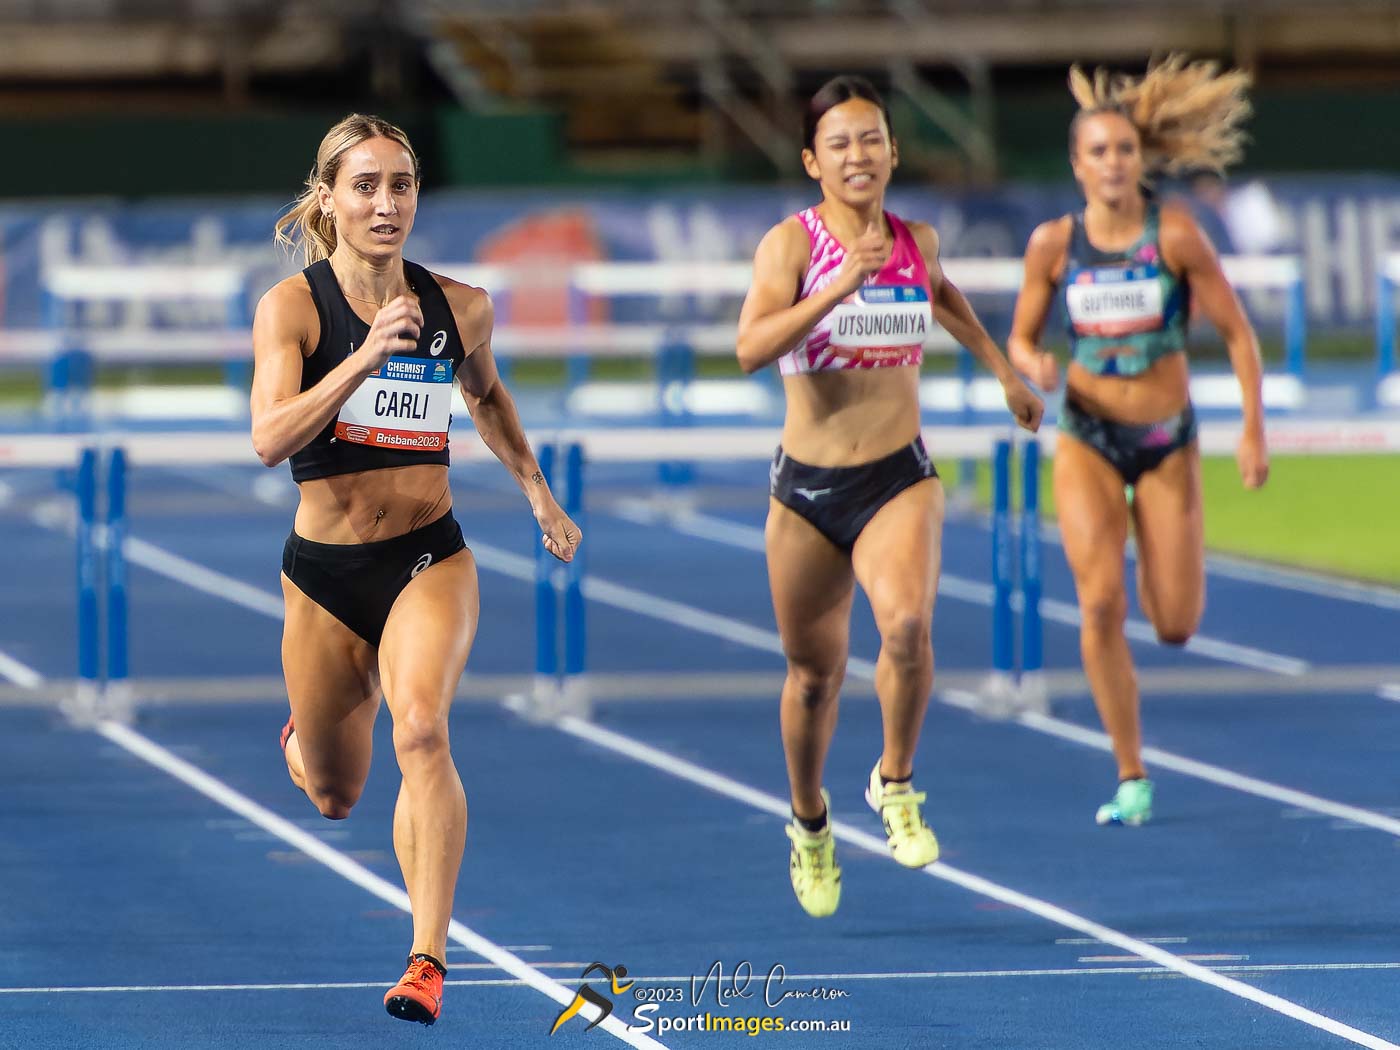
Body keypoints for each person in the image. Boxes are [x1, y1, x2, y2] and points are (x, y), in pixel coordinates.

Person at [251, 114, 580, 1024]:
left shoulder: (458, 306)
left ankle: (427, 959)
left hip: (428, 557)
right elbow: (269, 439)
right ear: (329, 199)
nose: (386, 203)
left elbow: (487, 396)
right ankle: (303, 739)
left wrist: (538, 493)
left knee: (423, 731)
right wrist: (363, 357)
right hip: (324, 573)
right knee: (334, 793)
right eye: (365, 186)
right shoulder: (295, 310)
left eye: (401, 185)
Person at [736, 76, 1042, 917]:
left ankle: (895, 781)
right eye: (839, 143)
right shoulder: (790, 248)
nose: (858, 155)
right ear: (812, 161)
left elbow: (944, 301)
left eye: (871, 139)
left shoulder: (919, 240)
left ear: (893, 152)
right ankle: (809, 824)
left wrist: (1006, 375)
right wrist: (838, 288)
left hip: (897, 477)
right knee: (812, 677)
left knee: (906, 626)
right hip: (805, 489)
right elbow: (749, 348)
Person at [1007, 56, 1269, 827]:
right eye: (1099, 152)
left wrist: (1253, 428)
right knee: (1098, 603)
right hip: (1088, 431)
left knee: (1175, 622)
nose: (1114, 163)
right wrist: (1036, 362)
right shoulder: (1054, 245)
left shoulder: (1177, 238)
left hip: (1166, 438)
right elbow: (1019, 338)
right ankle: (1131, 773)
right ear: (1077, 165)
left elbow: (1238, 335)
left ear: (1138, 159)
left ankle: (1166, 586)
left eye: (1124, 150)